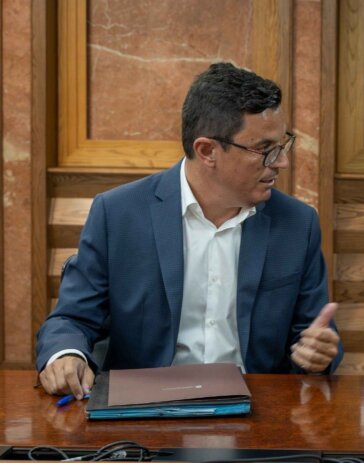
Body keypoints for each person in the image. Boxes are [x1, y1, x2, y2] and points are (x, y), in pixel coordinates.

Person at [37, 62, 343, 398]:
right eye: (265, 150)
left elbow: (315, 335)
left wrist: (319, 354)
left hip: (259, 414)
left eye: (282, 145)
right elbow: (71, 319)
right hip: (144, 414)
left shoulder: (297, 224)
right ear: (207, 150)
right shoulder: (119, 214)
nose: (281, 162)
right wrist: (66, 354)